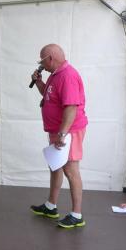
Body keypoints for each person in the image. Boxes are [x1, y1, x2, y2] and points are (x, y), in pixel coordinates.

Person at [29, 44, 89, 228]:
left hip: (69, 130)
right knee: (55, 166)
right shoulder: (55, 75)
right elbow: (49, 96)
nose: (41, 65)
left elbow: (71, 107)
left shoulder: (67, 76)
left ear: (50, 58)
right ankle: (51, 206)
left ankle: (77, 215)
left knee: (71, 170)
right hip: (58, 129)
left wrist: (63, 133)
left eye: (42, 61)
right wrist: (39, 83)